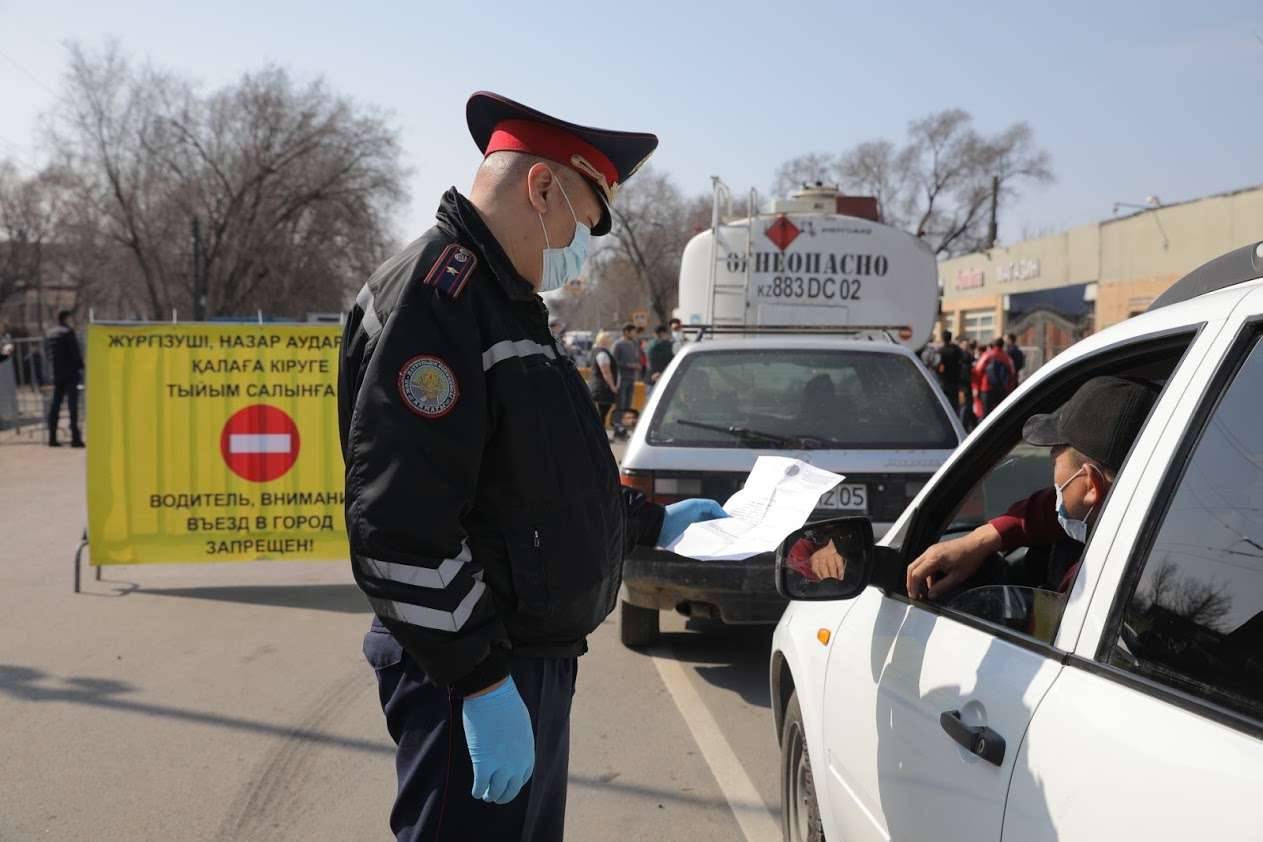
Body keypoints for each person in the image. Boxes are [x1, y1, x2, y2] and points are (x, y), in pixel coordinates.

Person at [336, 91, 728, 842]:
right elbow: (397, 525)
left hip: (518, 660)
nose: (583, 246)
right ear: (541, 188)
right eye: (585, 222)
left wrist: (646, 519)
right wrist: (478, 680)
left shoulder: (503, 303)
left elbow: (540, 477)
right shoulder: (438, 300)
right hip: (472, 667)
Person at [906, 376, 1159, 602]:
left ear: (1091, 485)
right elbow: (1050, 507)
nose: (1054, 483)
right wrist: (982, 539)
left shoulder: (1087, 589)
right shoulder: (1155, 526)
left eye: (1055, 458)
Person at [45, 310, 84, 448]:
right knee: (73, 407)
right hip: (71, 374)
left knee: (55, 406)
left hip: (57, 374)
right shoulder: (68, 332)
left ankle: (52, 438)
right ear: (66, 319)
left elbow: (47, 354)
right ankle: (75, 438)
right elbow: (75, 353)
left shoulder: (50, 334)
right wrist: (82, 366)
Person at [973, 337, 1016, 420]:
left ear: (992, 345)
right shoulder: (1007, 357)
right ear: (1003, 345)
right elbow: (1012, 374)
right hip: (1002, 389)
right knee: (999, 415)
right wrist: (1009, 389)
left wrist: (976, 388)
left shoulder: (987, 355)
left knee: (986, 414)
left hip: (986, 388)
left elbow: (977, 371)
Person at [610, 322, 640, 440]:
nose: (634, 334)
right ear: (626, 332)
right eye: (633, 331)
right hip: (621, 379)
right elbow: (614, 362)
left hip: (631, 379)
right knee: (620, 406)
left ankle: (624, 431)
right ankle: (617, 431)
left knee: (627, 407)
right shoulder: (618, 344)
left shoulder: (634, 344)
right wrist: (629, 365)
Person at [587, 330, 619, 429]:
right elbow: (606, 372)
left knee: (601, 413)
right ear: (605, 340)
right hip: (602, 388)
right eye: (610, 339)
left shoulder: (595, 351)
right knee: (602, 414)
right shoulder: (602, 354)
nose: (611, 341)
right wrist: (613, 386)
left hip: (598, 387)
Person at [935, 330, 964, 412]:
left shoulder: (940, 351)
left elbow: (937, 367)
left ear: (942, 338)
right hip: (955, 380)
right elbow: (962, 362)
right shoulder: (957, 350)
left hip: (943, 381)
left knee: (943, 405)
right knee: (954, 405)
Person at [958, 337, 977, 431]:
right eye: (964, 345)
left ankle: (968, 424)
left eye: (967, 345)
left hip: (967, 384)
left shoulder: (968, 355)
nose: (966, 347)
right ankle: (964, 425)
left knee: (967, 405)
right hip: (964, 385)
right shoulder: (964, 356)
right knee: (965, 406)